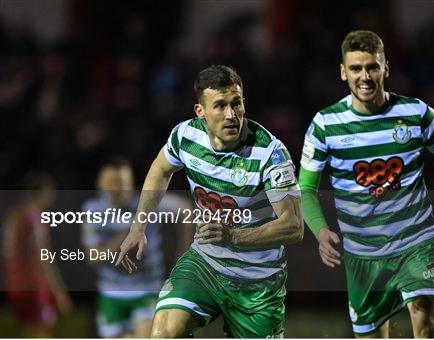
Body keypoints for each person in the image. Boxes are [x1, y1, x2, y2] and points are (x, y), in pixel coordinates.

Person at [298, 30, 434, 338]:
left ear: (386, 67)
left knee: (427, 328)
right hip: (362, 257)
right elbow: (305, 189)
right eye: (356, 68)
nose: (365, 76)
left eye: (372, 67)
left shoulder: (417, 114)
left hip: (416, 242)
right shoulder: (325, 126)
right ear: (343, 72)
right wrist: (320, 230)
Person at [116, 65, 303, 338]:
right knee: (163, 333)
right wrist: (138, 226)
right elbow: (160, 170)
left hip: (257, 282)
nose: (231, 115)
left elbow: (293, 227)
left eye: (236, 103)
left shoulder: (270, 153)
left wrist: (232, 235)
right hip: (205, 265)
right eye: (220, 106)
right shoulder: (185, 136)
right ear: (200, 112)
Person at [81, 159, 192, 337]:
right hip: (111, 291)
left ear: (130, 182)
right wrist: (126, 235)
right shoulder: (93, 210)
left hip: (146, 287)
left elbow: (185, 210)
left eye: (121, 183)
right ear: (100, 184)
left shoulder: (147, 202)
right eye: (111, 183)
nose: (117, 188)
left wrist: (185, 252)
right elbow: (92, 259)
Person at [2, 173, 72, 337]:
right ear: (43, 192)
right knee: (42, 332)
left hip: (14, 285)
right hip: (33, 285)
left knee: (28, 332)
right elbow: (42, 256)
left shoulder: (13, 215)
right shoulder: (34, 217)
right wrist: (59, 292)